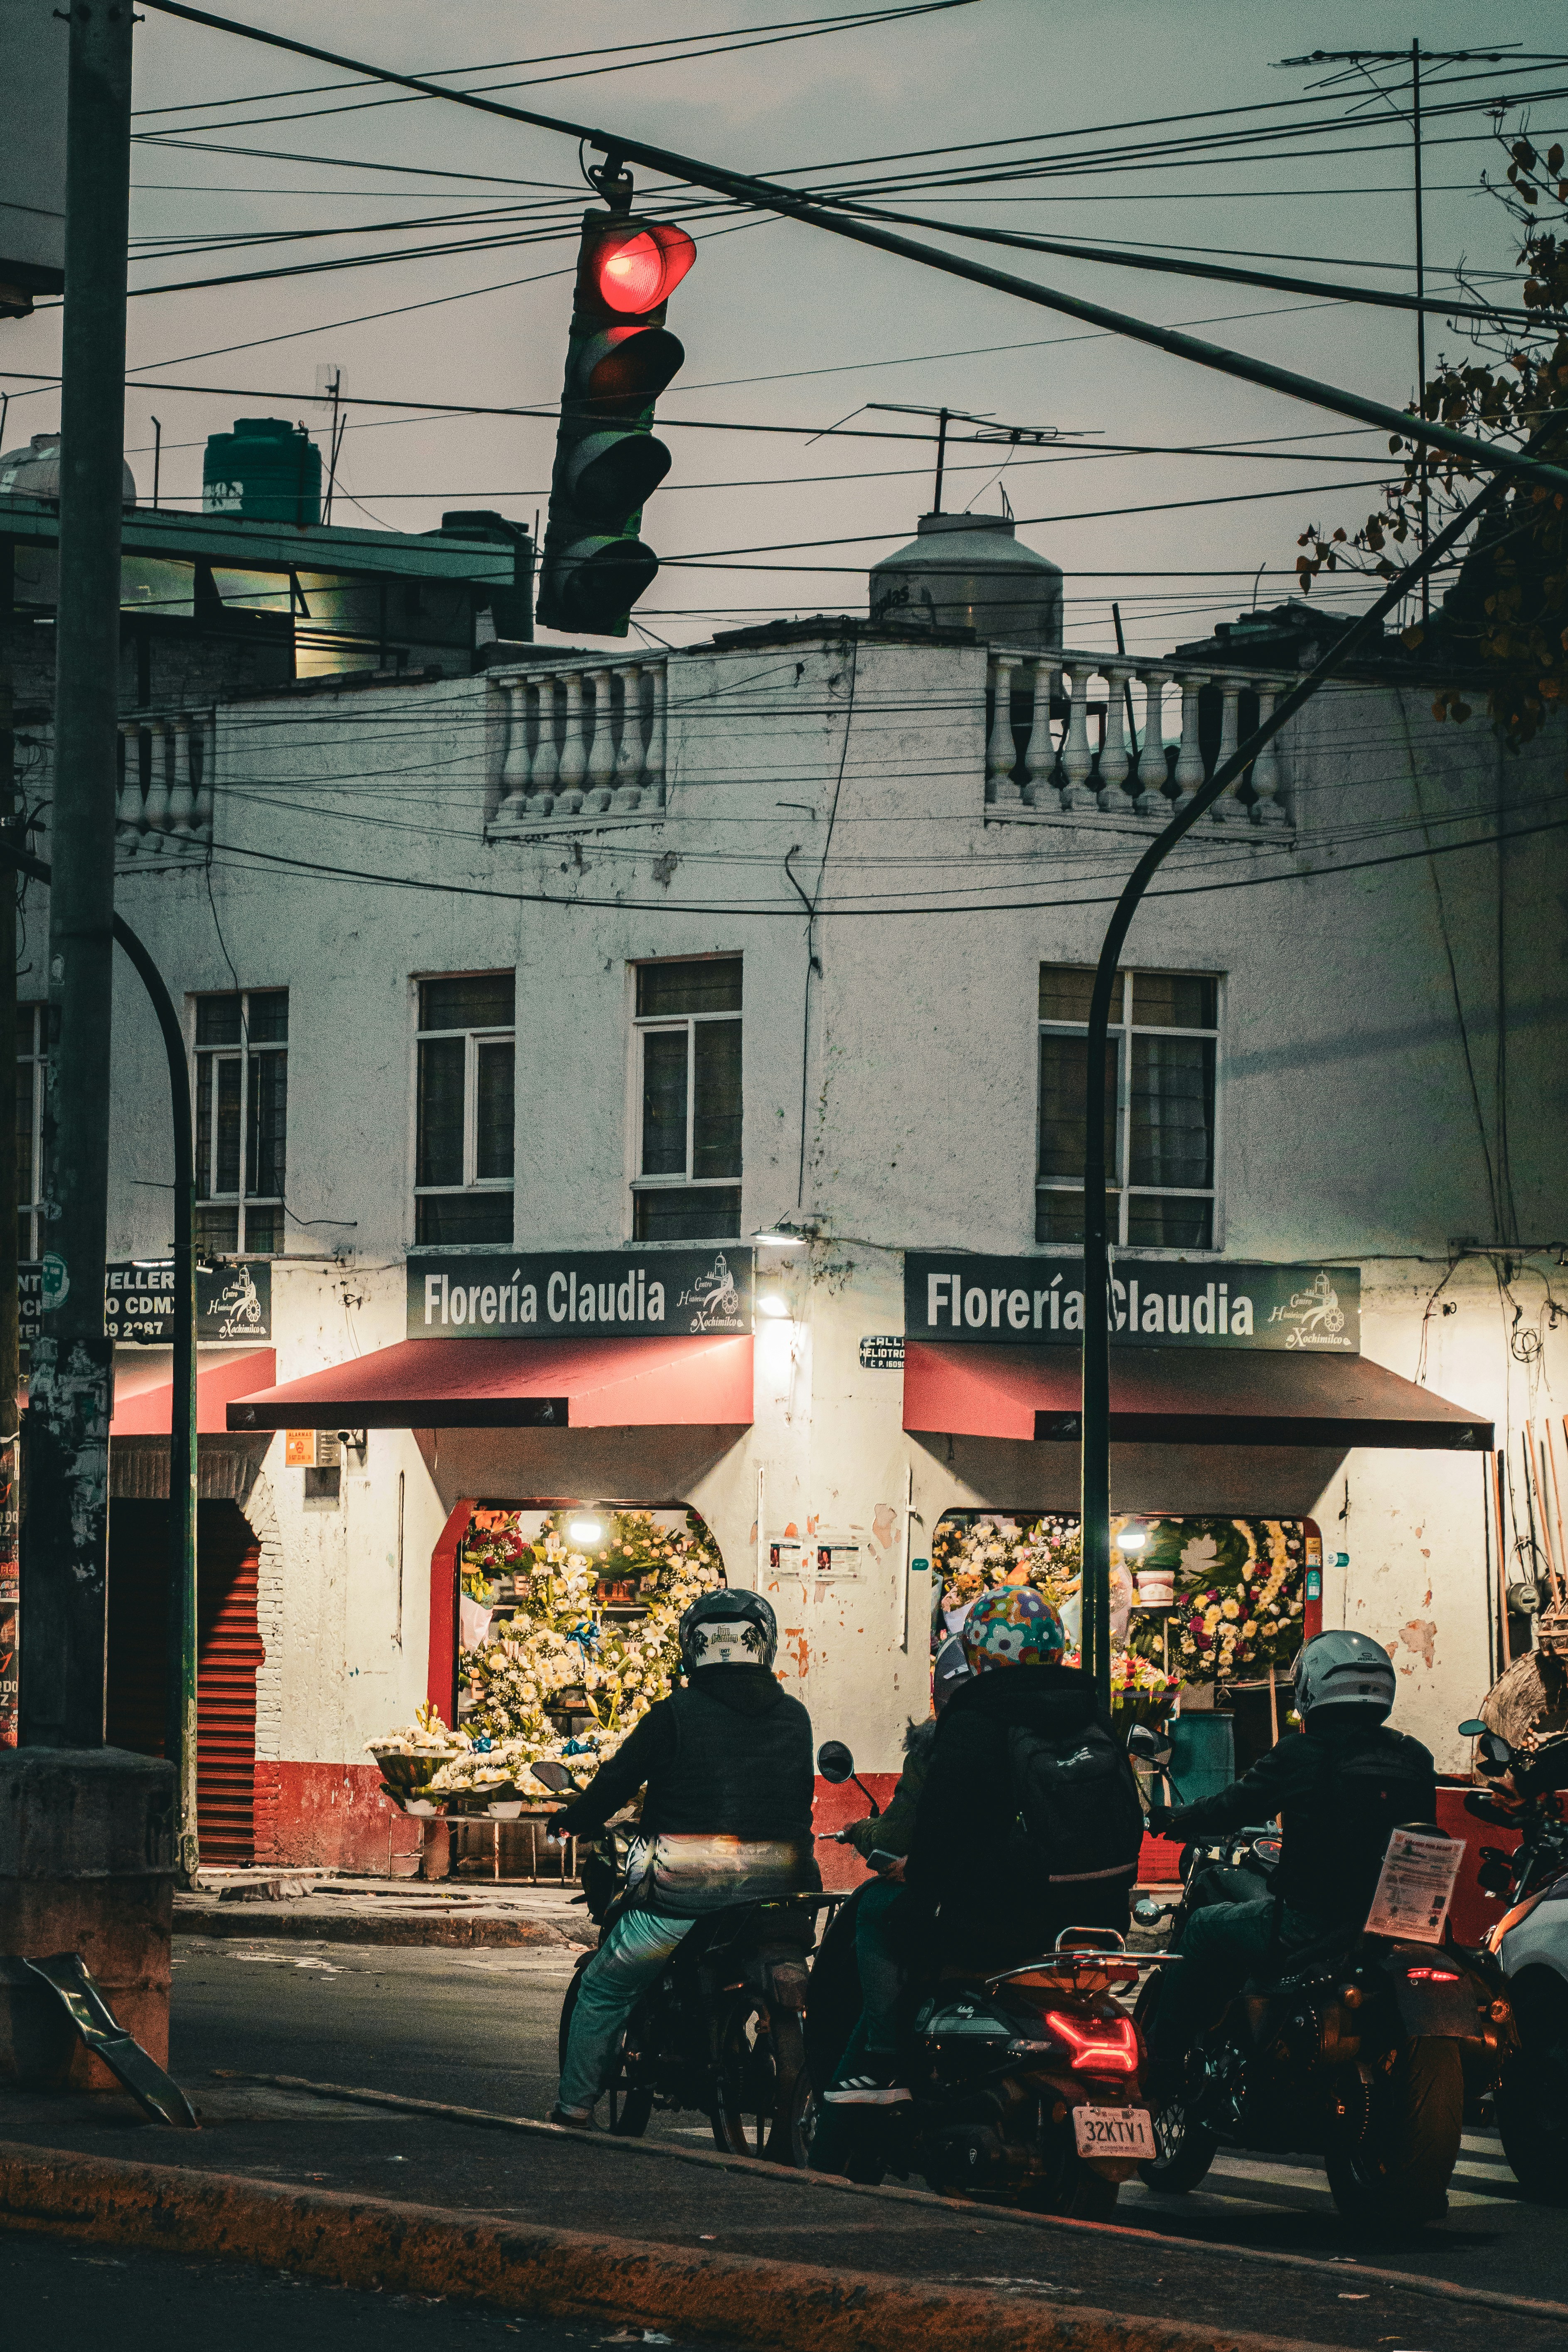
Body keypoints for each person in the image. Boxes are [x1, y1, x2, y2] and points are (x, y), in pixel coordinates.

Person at [547, 1589, 817, 2128]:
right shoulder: (794, 1715)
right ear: (762, 1645)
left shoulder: (674, 1714)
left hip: (683, 1878)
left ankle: (574, 2107)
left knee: (605, 1983)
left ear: (692, 1648)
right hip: (784, 1880)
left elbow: (616, 1781)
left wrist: (572, 1818)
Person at [1146, 1628, 1438, 2079]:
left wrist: (1178, 1818)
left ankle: (1159, 2061)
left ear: (1310, 1686)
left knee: (1204, 1927)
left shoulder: (1304, 1751)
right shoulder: (1412, 1755)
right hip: (1395, 1923)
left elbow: (1233, 1807)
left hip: (1312, 1925)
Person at [901, 1586, 1144, 1979]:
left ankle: (890, 2042)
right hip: (1103, 1920)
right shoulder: (1090, 1714)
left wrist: (916, 1900)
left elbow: (938, 1833)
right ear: (1056, 1643)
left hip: (1001, 1926)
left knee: (900, 1951)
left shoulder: (973, 1720)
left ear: (976, 1650)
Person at [818, 1635, 971, 2112]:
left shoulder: (952, 1743)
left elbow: (902, 1837)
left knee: (876, 1907)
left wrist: (863, 1834)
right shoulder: (1077, 1736)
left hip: (971, 1905)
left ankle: (883, 2052)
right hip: (1075, 1908)